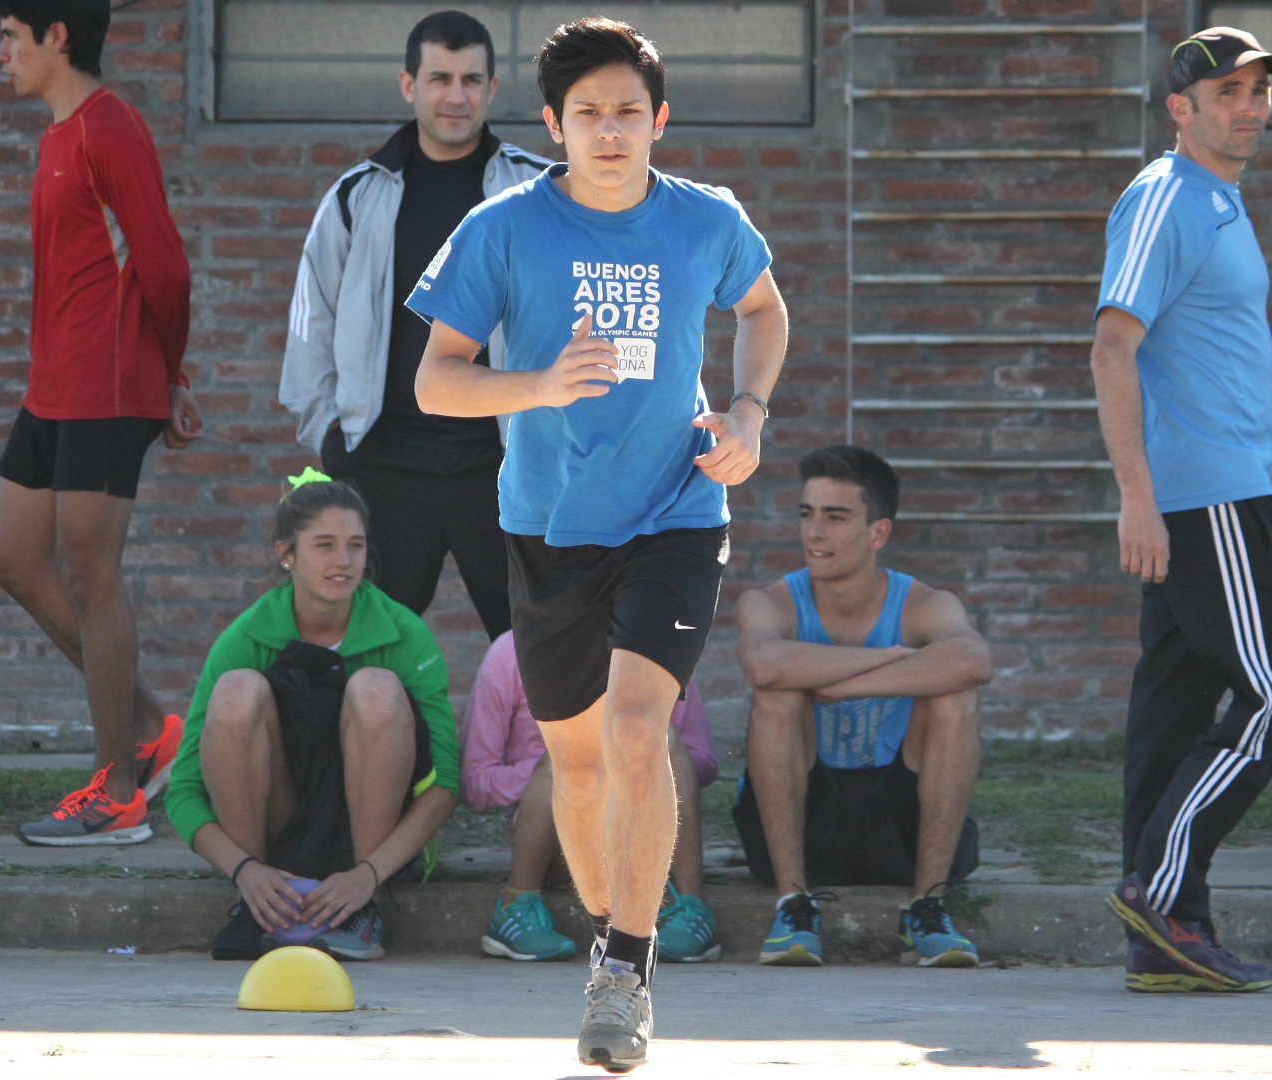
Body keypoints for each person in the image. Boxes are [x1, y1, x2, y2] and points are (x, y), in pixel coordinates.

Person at [410, 18, 788, 1070]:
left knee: (636, 726)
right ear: (554, 123)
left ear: (660, 120)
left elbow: (763, 311)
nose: (610, 130)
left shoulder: (707, 219)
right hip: (548, 527)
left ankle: (625, 967)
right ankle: (611, 944)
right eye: (589, 113)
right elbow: (435, 383)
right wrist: (539, 384)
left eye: (629, 111)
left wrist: (749, 412)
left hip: (675, 511)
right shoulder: (501, 229)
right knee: (574, 770)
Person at [1090, 27, 1272, 994]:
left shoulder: (1218, 201)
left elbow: (1202, 344)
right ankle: (1159, 891)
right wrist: (1137, 499)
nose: (1250, 107)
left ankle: (1166, 938)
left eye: (1260, 91)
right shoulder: (1166, 196)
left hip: (1214, 485)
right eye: (1229, 92)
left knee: (1175, 709)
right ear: (1180, 108)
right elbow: (1113, 345)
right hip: (1208, 495)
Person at [0, 0, 200, 846]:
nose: (0, 53)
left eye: (10, 36)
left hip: (110, 386)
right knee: (14, 559)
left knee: (89, 572)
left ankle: (118, 794)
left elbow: (167, 269)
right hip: (52, 386)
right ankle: (148, 725)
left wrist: (169, 375)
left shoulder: (111, 130)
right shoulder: (57, 137)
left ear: (56, 36)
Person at [278, 10, 546, 637]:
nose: (457, 96)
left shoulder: (538, 192)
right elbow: (310, 326)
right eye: (439, 78)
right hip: (386, 463)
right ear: (408, 85)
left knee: (535, 648)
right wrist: (335, 439)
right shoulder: (356, 196)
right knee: (365, 652)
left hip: (505, 462)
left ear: (492, 89)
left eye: (472, 80)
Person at [164, 472, 460, 962]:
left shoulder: (404, 632)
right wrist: (243, 870)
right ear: (287, 554)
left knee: (377, 690)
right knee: (236, 691)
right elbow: (184, 789)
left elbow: (445, 783)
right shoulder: (246, 636)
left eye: (355, 546)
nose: (343, 560)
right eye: (324, 545)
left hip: (374, 841)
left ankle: (360, 911)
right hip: (279, 825)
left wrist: (369, 873)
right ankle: (259, 903)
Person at [733, 446, 993, 969]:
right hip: (805, 821)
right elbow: (763, 665)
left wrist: (844, 684)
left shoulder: (925, 604)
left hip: (901, 825)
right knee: (779, 693)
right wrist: (889, 659)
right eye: (806, 514)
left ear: (878, 533)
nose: (814, 532)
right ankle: (793, 905)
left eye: (835, 517)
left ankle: (927, 908)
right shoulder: (769, 602)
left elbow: (972, 660)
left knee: (954, 693)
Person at [462, 632, 720, 964]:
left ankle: (692, 905)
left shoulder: (659, 641)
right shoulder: (511, 651)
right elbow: (476, 781)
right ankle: (516, 903)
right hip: (555, 835)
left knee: (661, 736)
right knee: (567, 749)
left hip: (638, 827)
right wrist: (579, 760)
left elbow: (702, 759)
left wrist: (630, 761)